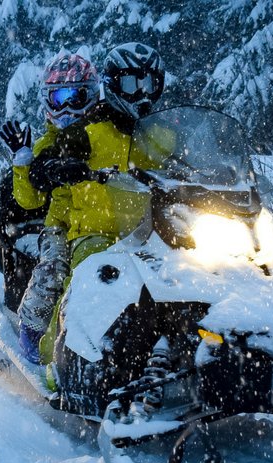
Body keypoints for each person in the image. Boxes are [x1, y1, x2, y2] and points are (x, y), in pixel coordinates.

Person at [33, 43, 169, 385]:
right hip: (96, 232)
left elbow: (192, 163)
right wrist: (54, 164)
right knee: (86, 281)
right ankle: (56, 356)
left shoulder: (164, 134)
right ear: (112, 85)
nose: (140, 95)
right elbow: (56, 151)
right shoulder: (91, 129)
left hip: (154, 233)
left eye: (148, 85)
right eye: (129, 85)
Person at [0, 51, 103, 364]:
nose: (68, 107)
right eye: (60, 98)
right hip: (60, 225)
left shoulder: (104, 134)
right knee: (53, 270)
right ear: (48, 101)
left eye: (76, 96)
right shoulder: (47, 144)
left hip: (103, 222)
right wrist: (23, 160)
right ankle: (31, 331)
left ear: (92, 95)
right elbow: (30, 199)